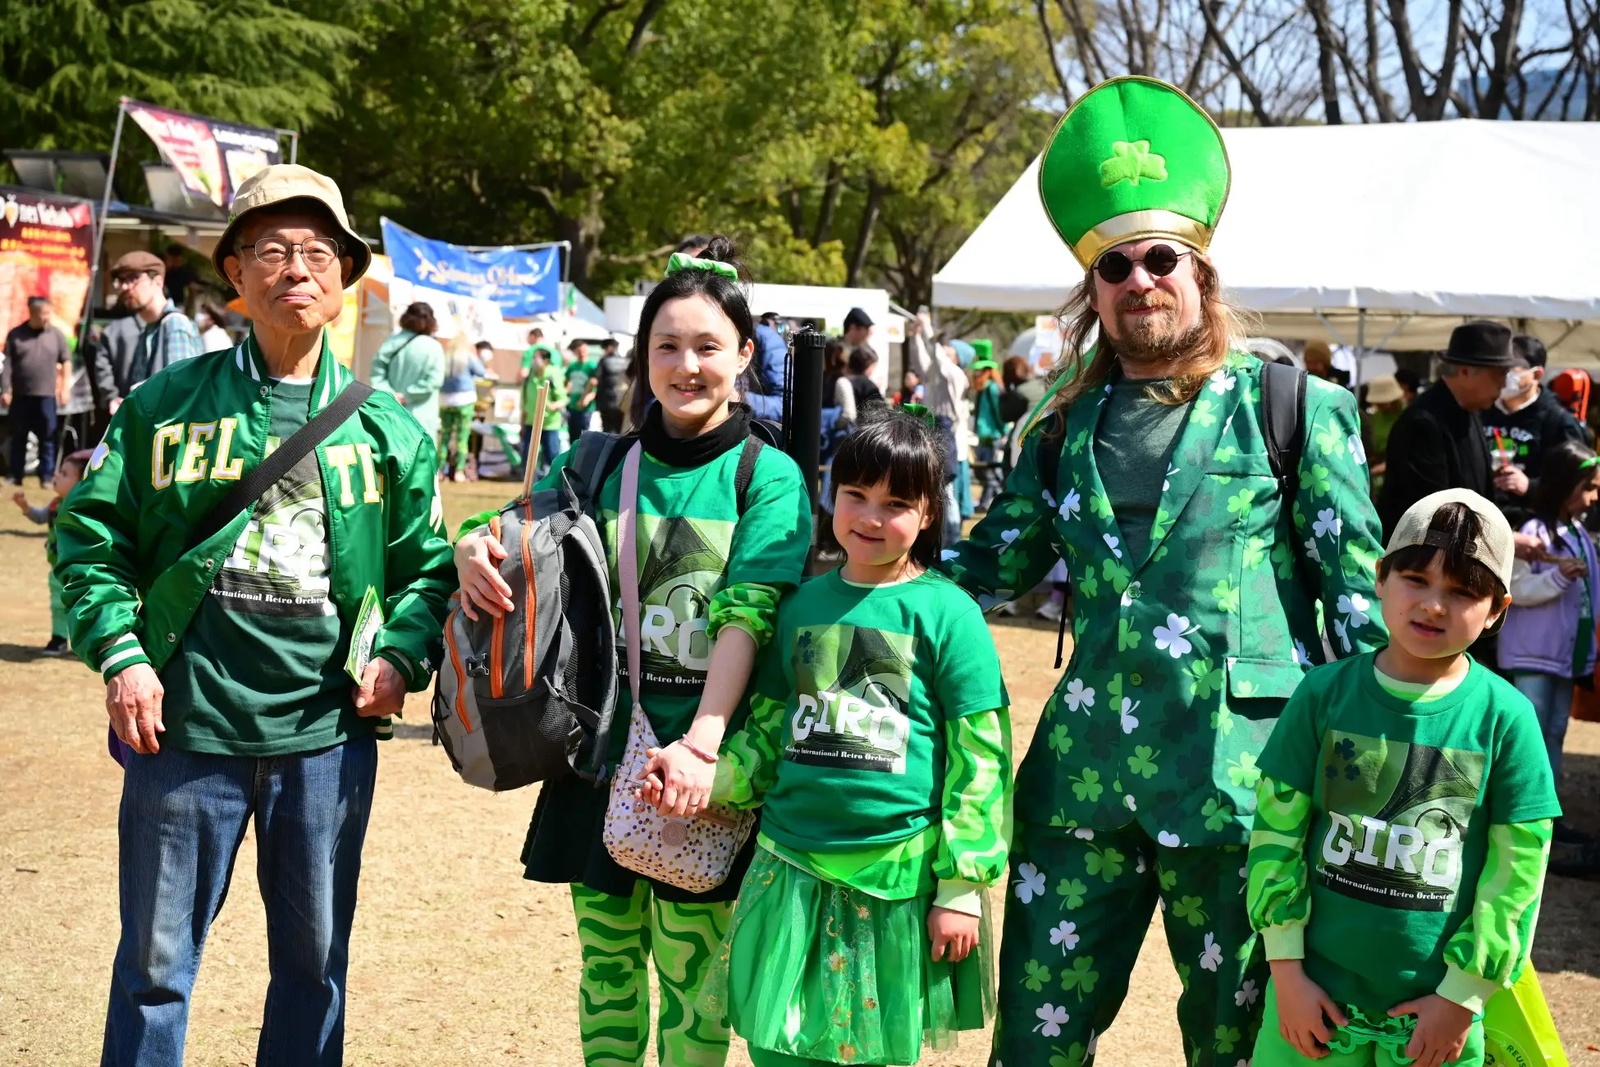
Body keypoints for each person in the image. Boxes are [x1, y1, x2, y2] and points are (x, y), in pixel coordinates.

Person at [937, 77, 1386, 1066]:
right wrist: (833, 559)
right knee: (1032, 1046)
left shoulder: (1292, 410)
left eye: (1160, 259)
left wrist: (1377, 797)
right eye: (1114, 265)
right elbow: (979, 569)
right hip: (1079, 792)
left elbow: (1364, 614)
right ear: (1091, 290)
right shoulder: (1057, 424)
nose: (1139, 279)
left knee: (1232, 1047)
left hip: (1242, 795)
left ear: (1199, 271)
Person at [54, 163, 455, 1067]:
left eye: (318, 251)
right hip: (183, 731)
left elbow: (425, 570)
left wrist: (398, 658)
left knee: (315, 966)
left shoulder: (388, 428)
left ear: (346, 275)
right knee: (155, 966)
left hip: (325, 737)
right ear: (234, 275)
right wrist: (122, 655)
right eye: (271, 250)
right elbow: (89, 538)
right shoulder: (164, 407)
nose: (296, 269)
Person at [453, 236, 811, 1067]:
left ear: (746, 355)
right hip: (600, 757)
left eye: (708, 346)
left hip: (702, 769)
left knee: (698, 980)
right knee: (606, 971)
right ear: (642, 355)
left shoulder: (770, 476)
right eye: (667, 347)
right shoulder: (596, 458)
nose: (687, 365)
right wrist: (474, 543)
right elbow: (517, 525)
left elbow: (746, 617)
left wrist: (703, 748)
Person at [646, 409, 1012, 1066]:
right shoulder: (800, 606)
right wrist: (707, 779)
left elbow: (979, 759)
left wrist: (962, 888)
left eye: (896, 503)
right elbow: (766, 732)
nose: (871, 517)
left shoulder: (950, 614)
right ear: (830, 494)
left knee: (872, 1055)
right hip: (789, 869)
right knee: (776, 1044)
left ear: (930, 513)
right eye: (856, 495)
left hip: (894, 878)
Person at [1247, 490, 1559, 1067]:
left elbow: (1518, 873)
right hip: (1310, 1010)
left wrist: (1462, 999)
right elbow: (1275, 833)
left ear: (1497, 609)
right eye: (1416, 579)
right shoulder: (1321, 696)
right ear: (1381, 577)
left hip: (1437, 1028)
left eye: (1463, 592)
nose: (1435, 606)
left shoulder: (1507, 719)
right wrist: (1286, 973)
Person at [1496, 440, 1599, 841]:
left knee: (1554, 728)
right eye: (1588, 487)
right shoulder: (1534, 533)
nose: (1593, 496)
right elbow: (1516, 588)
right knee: (1534, 730)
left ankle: (1547, 811)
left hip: (1561, 651)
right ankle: (1522, 815)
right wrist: (1558, 577)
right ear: (1566, 485)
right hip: (1532, 653)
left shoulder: (1575, 533)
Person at [1377, 322, 1518, 540]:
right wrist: (1506, 540)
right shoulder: (1422, 423)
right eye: (1499, 374)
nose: (1504, 384)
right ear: (1465, 371)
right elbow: (1434, 514)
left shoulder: (1472, 413)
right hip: (1419, 562)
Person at [1480, 334, 1587, 518]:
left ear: (1536, 374)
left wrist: (1530, 486)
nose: (1502, 374)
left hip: (1535, 526)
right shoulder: (1480, 410)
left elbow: (1578, 482)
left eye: (1510, 368)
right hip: (1482, 519)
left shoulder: (1558, 421)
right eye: (1499, 366)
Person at [88, 250, 204, 414]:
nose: (124, 287)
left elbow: (182, 395)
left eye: (133, 278)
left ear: (158, 282)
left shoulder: (175, 324)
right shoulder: (149, 327)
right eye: (120, 280)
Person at [12, 448, 91, 654]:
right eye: (59, 471)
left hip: (81, 570)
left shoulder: (85, 508)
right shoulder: (56, 505)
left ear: (81, 483)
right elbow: (40, 517)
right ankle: (59, 638)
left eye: (64, 474)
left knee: (85, 605)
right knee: (57, 604)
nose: (56, 475)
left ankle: (94, 643)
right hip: (57, 568)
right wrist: (26, 507)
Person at [2, 296, 70, 487]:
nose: (48, 317)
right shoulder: (16, 335)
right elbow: (7, 364)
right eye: (44, 314)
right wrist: (5, 388)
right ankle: (15, 475)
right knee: (18, 436)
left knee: (48, 437)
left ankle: (47, 476)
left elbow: (66, 361)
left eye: (49, 313)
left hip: (47, 395)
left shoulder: (56, 335)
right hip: (21, 395)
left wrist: (65, 387)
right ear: (32, 313)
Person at [369, 301, 446, 445]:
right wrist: (408, 396)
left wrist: (391, 394)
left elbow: (377, 371)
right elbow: (434, 381)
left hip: (391, 416)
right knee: (422, 463)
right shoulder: (434, 347)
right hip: (422, 420)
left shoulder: (391, 341)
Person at [438, 337, 489, 482]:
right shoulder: (468, 357)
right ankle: (459, 471)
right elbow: (481, 372)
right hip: (465, 399)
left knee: (445, 436)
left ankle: (440, 470)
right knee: (462, 436)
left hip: (445, 399)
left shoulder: (445, 357)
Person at [520, 343, 567, 480]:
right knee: (529, 458)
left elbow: (563, 398)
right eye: (534, 358)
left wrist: (554, 405)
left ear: (546, 360)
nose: (535, 361)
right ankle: (531, 488)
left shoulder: (553, 374)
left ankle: (555, 483)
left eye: (537, 358)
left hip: (549, 424)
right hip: (531, 422)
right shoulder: (530, 375)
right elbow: (525, 399)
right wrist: (522, 422)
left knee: (552, 456)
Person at [970, 358, 1006, 513]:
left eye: (980, 371)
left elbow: (999, 412)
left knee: (992, 471)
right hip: (984, 435)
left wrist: (1004, 432)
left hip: (994, 436)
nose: (976, 374)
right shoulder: (983, 389)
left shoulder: (992, 388)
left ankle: (994, 502)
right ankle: (991, 502)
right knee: (983, 471)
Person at [1361, 374, 1406, 496]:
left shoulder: (1406, 416)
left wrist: (1386, 465)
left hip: (1398, 473)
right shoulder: (1375, 417)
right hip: (1376, 471)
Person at [593, 337, 631, 433]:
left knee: (607, 430)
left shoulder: (604, 361)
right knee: (620, 430)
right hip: (623, 400)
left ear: (609, 347)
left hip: (606, 401)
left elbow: (596, 380)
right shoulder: (626, 362)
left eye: (604, 348)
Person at [564, 337, 597, 443]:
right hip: (572, 405)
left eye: (583, 350)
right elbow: (566, 380)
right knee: (572, 436)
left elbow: (595, 385)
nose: (581, 353)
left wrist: (588, 397)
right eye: (579, 351)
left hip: (585, 408)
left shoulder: (592, 366)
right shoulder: (572, 366)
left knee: (583, 436)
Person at [161, 244, 198, 308]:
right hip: (162, 302)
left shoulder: (184, 272)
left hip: (177, 304)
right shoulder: (163, 270)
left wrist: (189, 307)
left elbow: (192, 289)